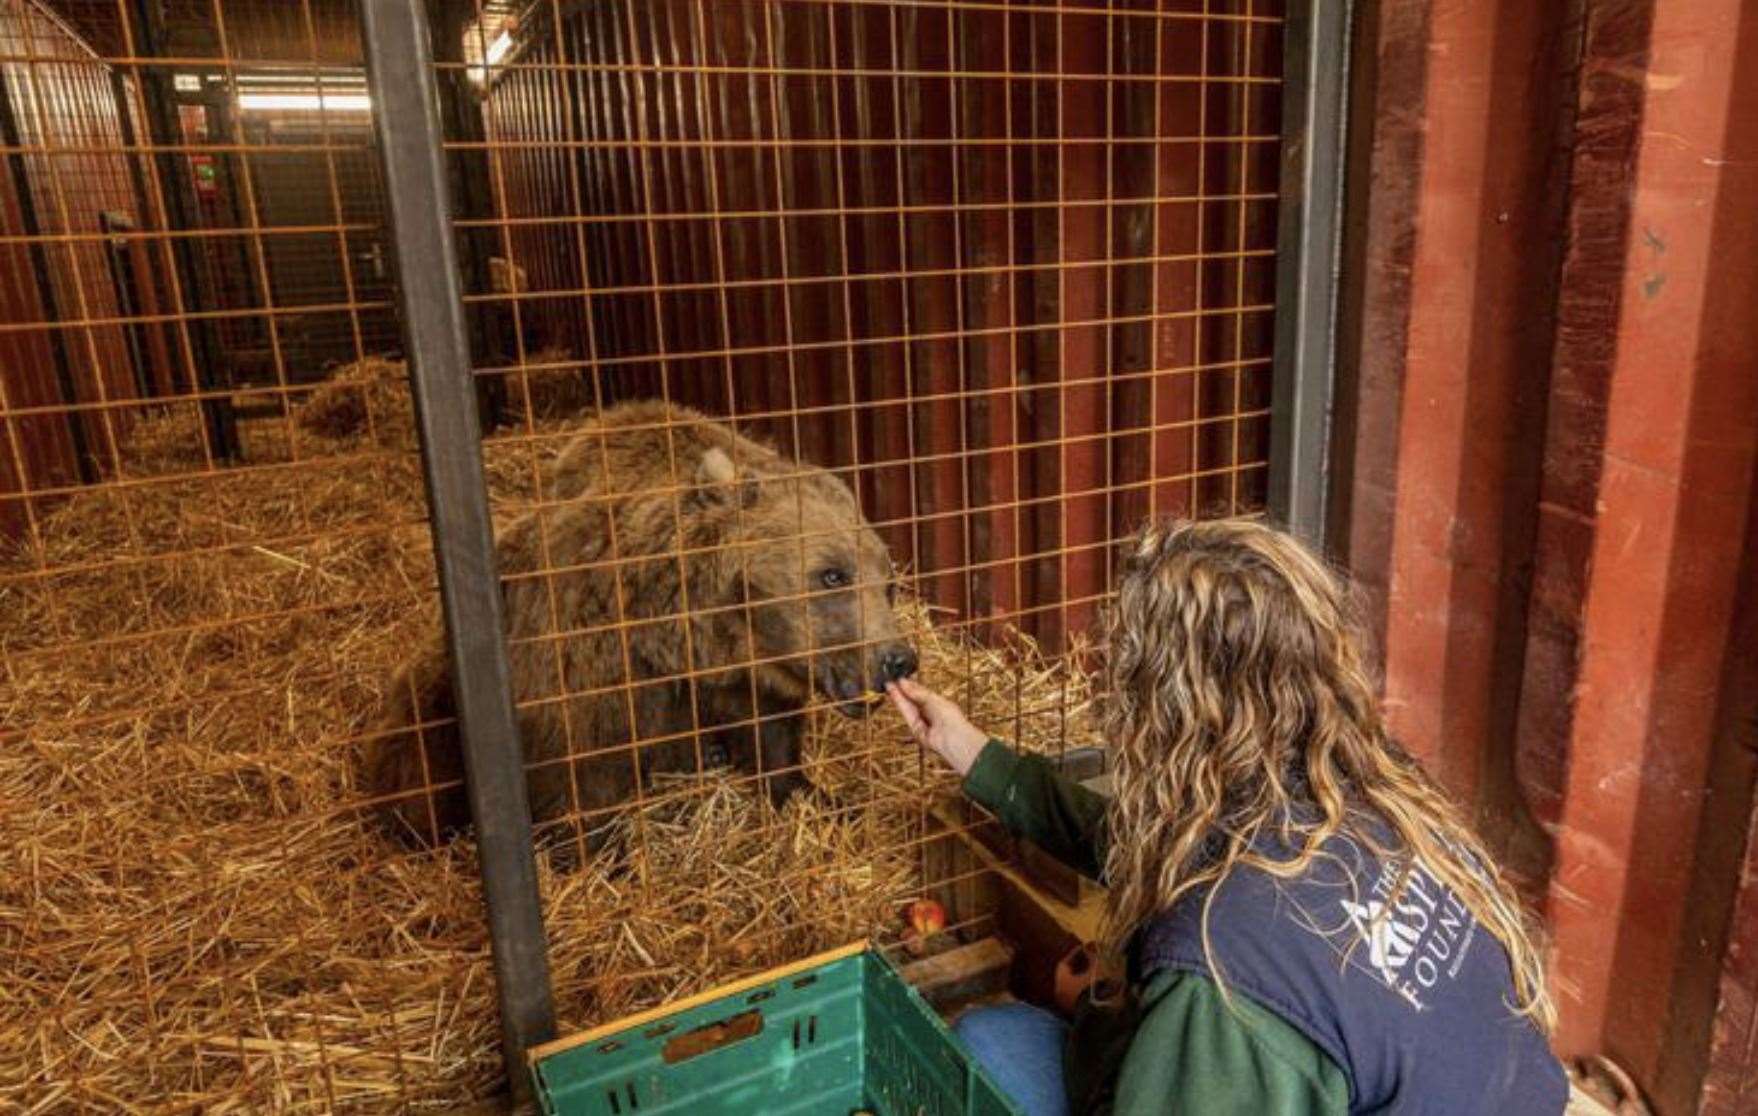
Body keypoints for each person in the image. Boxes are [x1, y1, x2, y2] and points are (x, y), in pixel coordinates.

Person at [886, 518, 1567, 1115]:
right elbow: (1149, 847)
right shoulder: (1370, 793)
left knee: (990, 1043)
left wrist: (1099, 1020)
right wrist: (975, 755)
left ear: (1169, 717)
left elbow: (1222, 993)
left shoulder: (1222, 957)